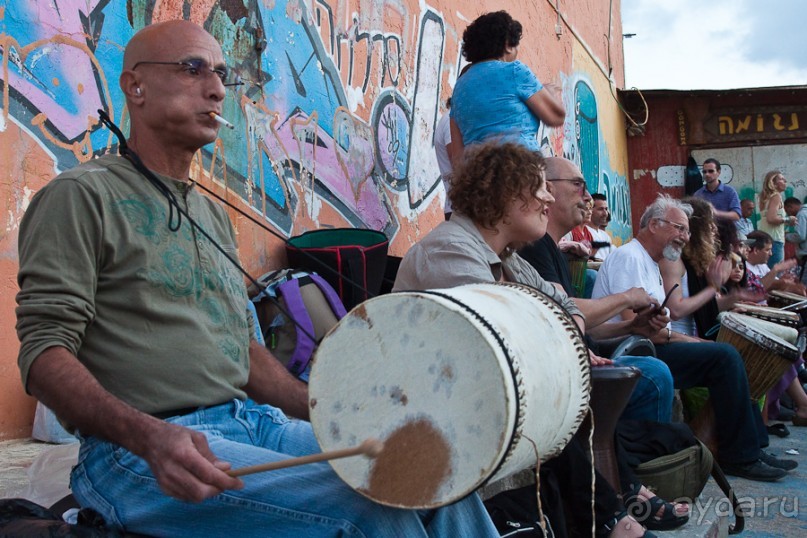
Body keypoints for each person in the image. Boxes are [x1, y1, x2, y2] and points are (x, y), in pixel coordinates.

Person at [15, 21, 498, 537]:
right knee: (369, 508)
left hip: (251, 424)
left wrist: (341, 414)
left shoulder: (211, 213)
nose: (217, 88)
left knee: (427, 471)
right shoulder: (81, 196)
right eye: (192, 68)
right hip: (135, 452)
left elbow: (243, 353)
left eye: (222, 74)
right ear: (135, 86)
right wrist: (148, 436)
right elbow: (43, 355)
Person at [394, 142, 674, 538]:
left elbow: (560, 303)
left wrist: (567, 328)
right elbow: (506, 342)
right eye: (538, 187)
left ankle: (616, 518)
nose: (547, 197)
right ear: (506, 193)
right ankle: (618, 518)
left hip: (487, 410)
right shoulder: (449, 252)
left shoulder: (508, 257)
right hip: (445, 420)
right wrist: (567, 335)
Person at [592, 194, 796, 481]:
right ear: (654, 224)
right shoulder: (630, 257)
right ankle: (742, 456)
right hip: (628, 351)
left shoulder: (650, 261)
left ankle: (749, 447)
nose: (685, 237)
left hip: (647, 344)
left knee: (727, 354)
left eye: (687, 230)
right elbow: (636, 327)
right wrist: (694, 341)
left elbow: (654, 326)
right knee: (724, 356)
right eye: (679, 229)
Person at [518, 157, 674, 423]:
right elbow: (562, 314)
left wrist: (633, 326)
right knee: (655, 375)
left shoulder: (551, 248)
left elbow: (582, 326)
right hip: (562, 371)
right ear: (548, 189)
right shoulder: (535, 245)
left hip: (584, 355)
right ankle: (641, 457)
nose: (587, 197)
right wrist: (627, 298)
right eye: (579, 185)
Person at [449, 10, 565, 162]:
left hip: (478, 176)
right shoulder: (514, 71)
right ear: (508, 45)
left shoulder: (459, 87)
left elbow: (457, 153)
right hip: (522, 170)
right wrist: (550, 94)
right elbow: (556, 116)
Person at [744, 230, 803, 297]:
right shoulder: (743, 267)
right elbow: (755, 290)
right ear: (756, 250)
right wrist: (776, 270)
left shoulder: (762, 266)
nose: (771, 254)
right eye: (767, 250)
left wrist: (784, 281)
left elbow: (772, 283)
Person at [758, 170, 797, 267]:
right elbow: (771, 219)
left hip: (765, 239)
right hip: (775, 241)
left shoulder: (764, 198)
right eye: (782, 179)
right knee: (775, 274)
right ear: (773, 183)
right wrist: (788, 219)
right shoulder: (776, 196)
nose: (785, 181)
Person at [434, 97, 454, 218]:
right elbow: (458, 162)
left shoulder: (451, 118)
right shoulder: (451, 119)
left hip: (461, 209)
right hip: (461, 210)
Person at [590, 193, 615, 260]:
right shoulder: (584, 232)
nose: (605, 213)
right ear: (590, 210)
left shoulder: (606, 236)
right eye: (600, 209)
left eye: (606, 209)